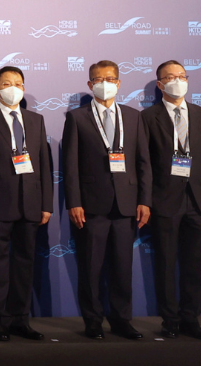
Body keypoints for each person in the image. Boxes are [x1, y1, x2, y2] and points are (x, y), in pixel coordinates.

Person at [61, 60, 151, 340]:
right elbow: (70, 166)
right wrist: (74, 202)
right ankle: (93, 320)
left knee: (123, 267)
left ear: (119, 83)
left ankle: (122, 319)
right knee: (91, 268)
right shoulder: (77, 118)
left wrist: (144, 200)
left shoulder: (134, 116)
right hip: (91, 206)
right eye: (99, 79)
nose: (105, 83)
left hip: (126, 205)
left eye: (110, 78)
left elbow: (143, 162)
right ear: (90, 85)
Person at [0, 66, 52, 342]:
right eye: (6, 83)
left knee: (25, 265)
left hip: (30, 203)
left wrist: (46, 204)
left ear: (24, 88)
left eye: (18, 83)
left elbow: (44, 165)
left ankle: (20, 320)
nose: (12, 87)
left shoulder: (36, 120)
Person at [141, 60, 201, 340]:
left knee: (195, 264)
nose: (177, 80)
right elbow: (145, 163)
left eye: (181, 76)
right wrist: (147, 200)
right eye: (170, 77)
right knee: (165, 264)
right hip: (165, 199)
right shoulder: (148, 117)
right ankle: (169, 319)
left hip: (198, 201)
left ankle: (191, 318)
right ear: (160, 84)